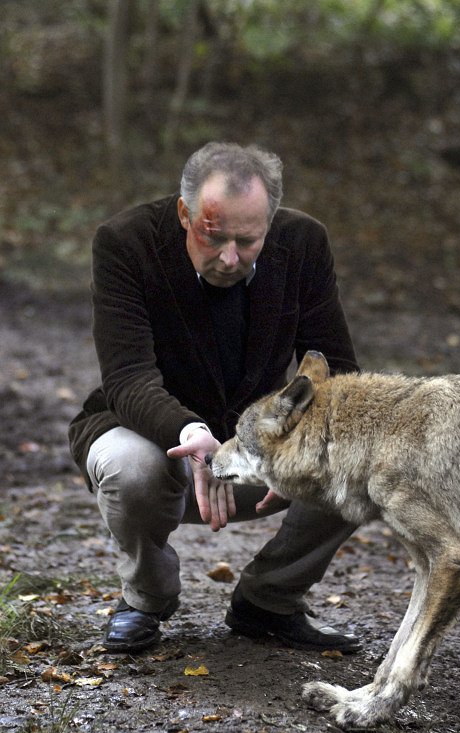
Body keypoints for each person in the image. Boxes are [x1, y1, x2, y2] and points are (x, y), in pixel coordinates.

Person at [69, 141, 361, 654]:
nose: (230, 258)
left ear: (270, 224)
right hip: (155, 440)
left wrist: (303, 450)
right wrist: (190, 432)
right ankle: (146, 598)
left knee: (358, 455)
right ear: (185, 213)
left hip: (256, 450)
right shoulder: (125, 243)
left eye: (247, 241)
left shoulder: (304, 243)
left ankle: (269, 600)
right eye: (213, 235)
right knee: (130, 467)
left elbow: (337, 371)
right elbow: (128, 377)